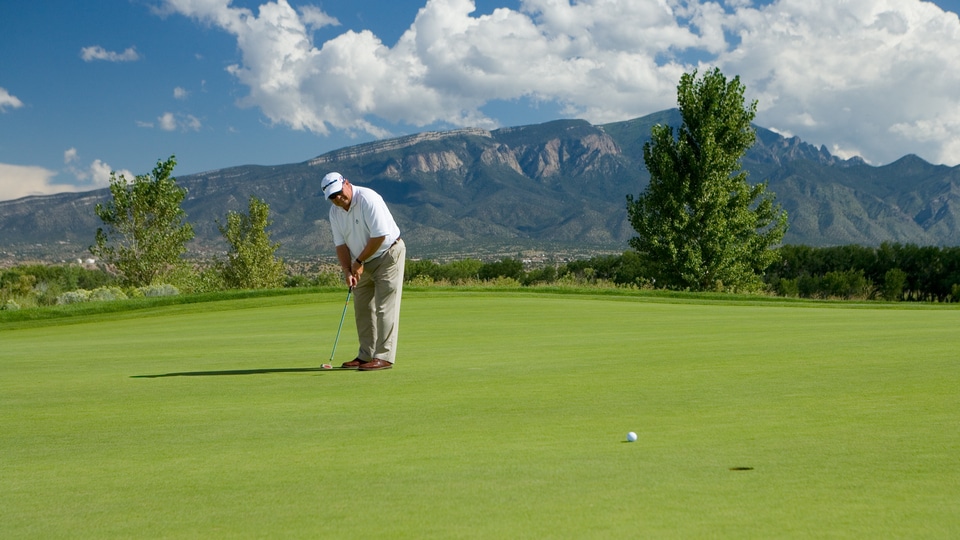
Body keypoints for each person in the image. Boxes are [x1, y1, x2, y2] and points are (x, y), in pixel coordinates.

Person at [321, 172, 405, 371]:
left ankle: (384, 357)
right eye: (332, 197)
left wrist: (358, 261)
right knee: (362, 307)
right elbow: (340, 245)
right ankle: (365, 355)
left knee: (385, 307)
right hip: (362, 260)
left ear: (346, 183)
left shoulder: (368, 199)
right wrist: (347, 270)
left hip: (388, 255)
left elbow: (379, 236)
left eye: (339, 193)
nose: (338, 199)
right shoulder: (335, 213)